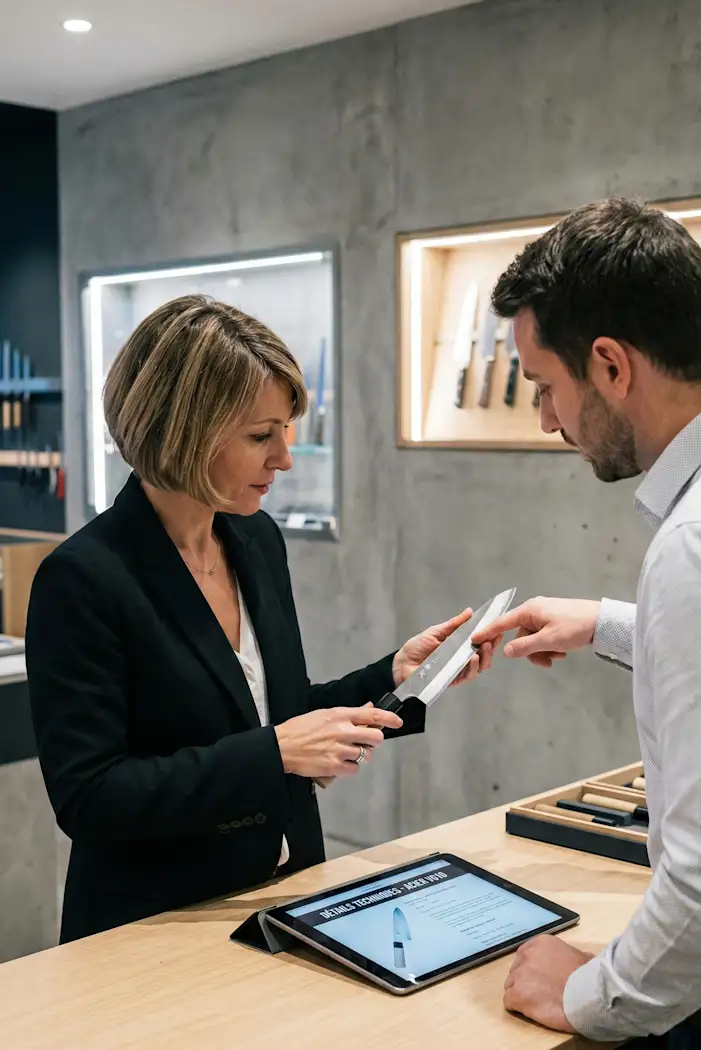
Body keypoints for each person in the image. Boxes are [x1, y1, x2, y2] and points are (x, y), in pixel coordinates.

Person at [26, 294, 496, 943]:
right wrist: (272, 755)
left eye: (286, 430)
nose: (285, 458)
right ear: (184, 428)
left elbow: (274, 715)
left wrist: (394, 676)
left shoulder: (256, 541)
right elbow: (91, 796)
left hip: (286, 899)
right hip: (156, 930)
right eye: (260, 436)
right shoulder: (83, 578)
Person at [472, 199, 701, 1047]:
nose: (547, 420)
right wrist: (609, 623)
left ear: (609, 364)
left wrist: (593, 992)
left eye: (546, 388)